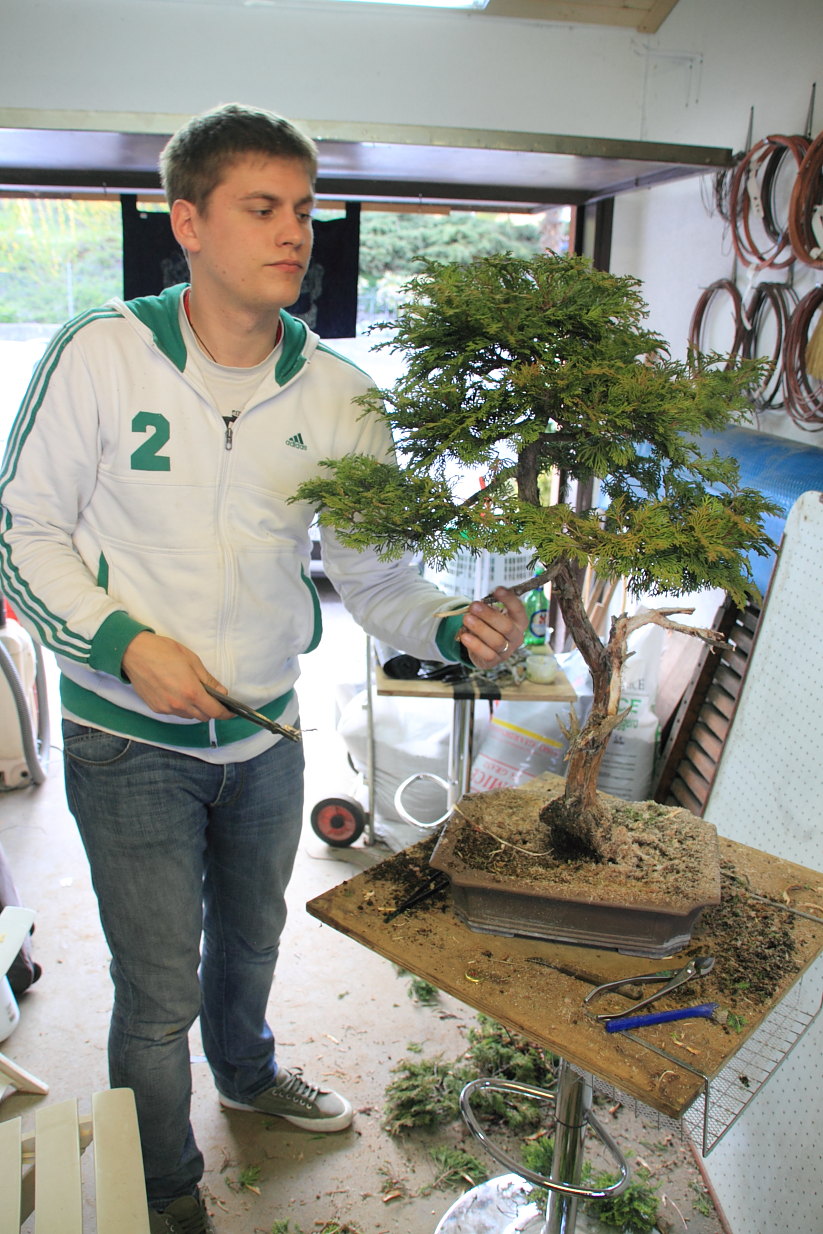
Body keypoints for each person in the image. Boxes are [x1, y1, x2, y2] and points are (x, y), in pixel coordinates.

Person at [0, 103, 527, 1234]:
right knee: (157, 991)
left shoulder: (341, 392)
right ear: (188, 223)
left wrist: (450, 627)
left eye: (304, 209)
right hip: (125, 739)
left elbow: (377, 577)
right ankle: (166, 1187)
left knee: (250, 940)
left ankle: (245, 1072)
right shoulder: (101, 354)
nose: (296, 231)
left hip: (267, 735)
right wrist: (124, 644)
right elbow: (22, 531)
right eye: (263, 208)